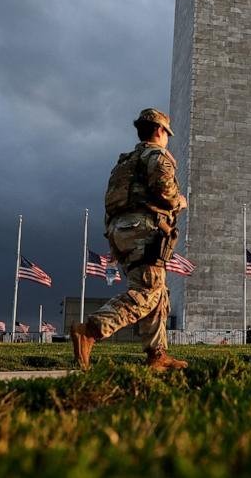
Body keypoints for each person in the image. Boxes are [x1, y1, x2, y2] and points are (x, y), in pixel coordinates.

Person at [70, 108, 188, 372]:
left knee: (159, 294)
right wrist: (180, 202)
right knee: (147, 291)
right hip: (143, 229)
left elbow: (111, 200)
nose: (167, 138)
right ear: (160, 131)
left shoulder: (124, 162)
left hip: (119, 230)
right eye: (167, 133)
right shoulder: (156, 155)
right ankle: (91, 330)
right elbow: (165, 192)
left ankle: (157, 356)